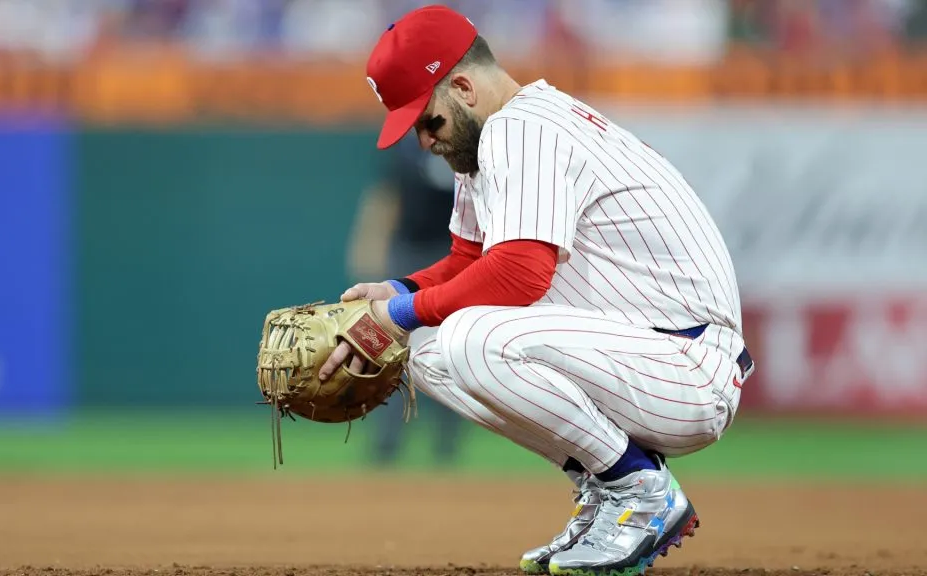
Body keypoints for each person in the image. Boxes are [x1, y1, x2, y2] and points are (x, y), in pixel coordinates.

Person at [320, 5, 754, 575]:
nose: (424, 141)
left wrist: (397, 313)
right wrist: (395, 292)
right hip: (639, 353)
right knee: (422, 345)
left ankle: (640, 492)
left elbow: (520, 274)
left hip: (688, 366)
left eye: (429, 122)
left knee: (470, 338)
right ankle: (610, 490)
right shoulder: (489, 142)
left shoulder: (523, 128)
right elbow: (469, 261)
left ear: (463, 86)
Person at [346, 132, 464, 467]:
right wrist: (369, 244)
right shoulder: (405, 148)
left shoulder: (461, 142)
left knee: (450, 350)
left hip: (451, 253)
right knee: (389, 350)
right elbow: (385, 197)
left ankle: (446, 445)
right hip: (408, 251)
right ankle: (386, 443)